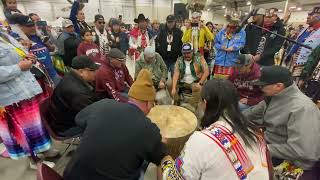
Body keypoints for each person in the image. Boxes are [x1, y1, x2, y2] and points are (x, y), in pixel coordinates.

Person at [63, 69, 167, 180]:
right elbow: (160, 158)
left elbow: (79, 118)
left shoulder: (104, 103)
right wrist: (161, 144)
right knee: (145, 166)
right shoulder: (148, 129)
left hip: (72, 175)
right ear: (148, 103)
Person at [160, 79, 270, 179]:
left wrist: (164, 156)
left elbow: (173, 178)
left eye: (200, 101)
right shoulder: (255, 132)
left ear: (205, 103)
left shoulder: (200, 141)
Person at [243, 66, 320, 179]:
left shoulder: (301, 108)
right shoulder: (275, 96)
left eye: (262, 86)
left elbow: (303, 150)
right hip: (273, 147)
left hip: (292, 163)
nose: (260, 88)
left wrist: (263, 149)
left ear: (278, 86)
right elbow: (250, 114)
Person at [0, 30, 55, 169]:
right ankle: (34, 161)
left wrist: (27, 56)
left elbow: (15, 55)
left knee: (36, 126)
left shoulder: (4, 35)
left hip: (25, 90)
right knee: (24, 133)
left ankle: (44, 149)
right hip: (12, 98)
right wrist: (18, 67)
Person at [48, 56, 100, 137]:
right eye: (92, 70)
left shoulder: (71, 76)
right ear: (81, 72)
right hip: (68, 127)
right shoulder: (78, 93)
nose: (95, 73)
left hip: (66, 120)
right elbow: (92, 116)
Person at [10, 14, 60, 85]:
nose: (32, 28)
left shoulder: (37, 36)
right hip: (36, 78)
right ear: (19, 27)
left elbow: (51, 49)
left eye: (33, 25)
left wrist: (47, 42)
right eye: (28, 26)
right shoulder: (15, 39)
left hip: (51, 72)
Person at [285, 7, 320, 82]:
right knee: (288, 81)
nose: (308, 17)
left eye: (312, 15)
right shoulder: (305, 29)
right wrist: (289, 54)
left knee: (298, 84)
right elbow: (297, 43)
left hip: (306, 64)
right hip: (293, 60)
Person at [171, 43, 209, 110]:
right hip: (182, 82)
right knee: (170, 84)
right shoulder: (179, 60)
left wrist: (200, 83)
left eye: (188, 53)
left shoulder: (199, 58)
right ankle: (176, 102)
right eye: (184, 53)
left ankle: (191, 107)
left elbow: (206, 71)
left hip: (194, 82)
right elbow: (176, 73)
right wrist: (173, 87)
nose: (186, 55)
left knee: (198, 88)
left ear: (192, 51)